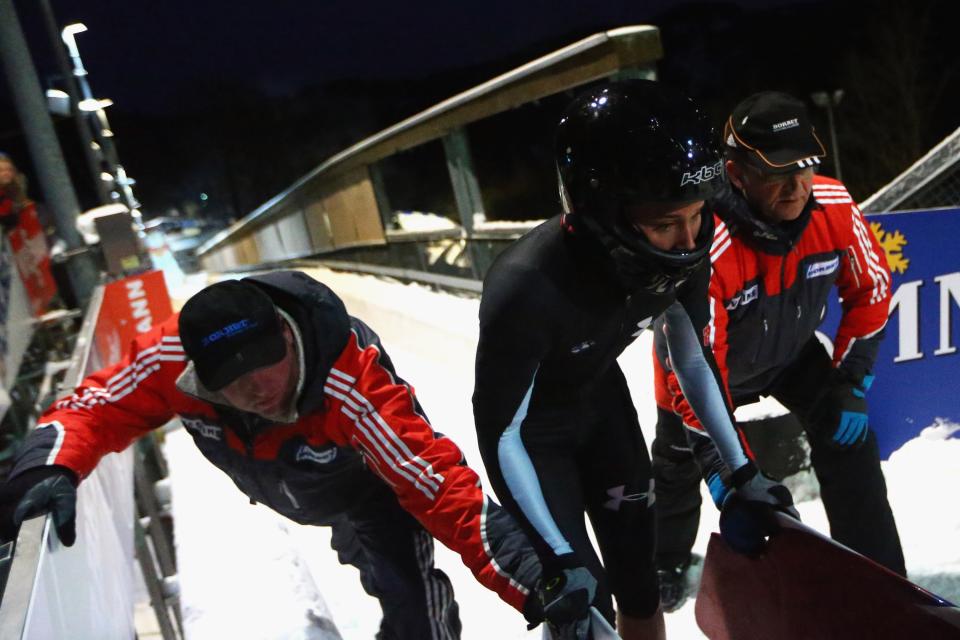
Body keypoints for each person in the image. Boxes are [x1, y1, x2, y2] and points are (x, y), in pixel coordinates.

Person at [0, 270, 542, 640]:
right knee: (366, 565)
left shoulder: (348, 377)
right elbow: (93, 406)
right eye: (234, 380)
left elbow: (434, 481)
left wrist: (536, 577)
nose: (258, 388)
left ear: (286, 333)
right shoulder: (170, 359)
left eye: (266, 361)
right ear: (201, 379)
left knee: (407, 590)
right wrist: (48, 466)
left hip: (370, 486)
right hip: (306, 490)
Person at [472, 80, 797, 640]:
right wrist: (556, 560)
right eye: (666, 224)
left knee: (639, 583)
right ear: (605, 214)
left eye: (696, 215)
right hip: (533, 441)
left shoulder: (687, 247)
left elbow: (693, 361)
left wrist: (739, 470)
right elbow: (501, 432)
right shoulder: (525, 287)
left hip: (602, 410)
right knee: (582, 602)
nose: (688, 239)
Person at [651, 91, 905, 611]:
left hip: (791, 353)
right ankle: (667, 559)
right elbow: (696, 362)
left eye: (806, 168)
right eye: (776, 173)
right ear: (735, 172)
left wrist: (853, 380)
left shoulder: (834, 207)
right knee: (677, 467)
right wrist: (730, 468)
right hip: (703, 370)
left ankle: (878, 573)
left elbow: (873, 289)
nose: (797, 187)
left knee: (849, 437)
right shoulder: (705, 241)